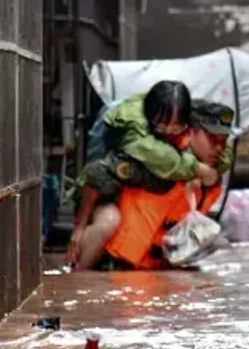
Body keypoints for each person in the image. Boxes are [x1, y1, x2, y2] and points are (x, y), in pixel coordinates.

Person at [67, 81, 223, 269]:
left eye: (176, 126)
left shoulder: (186, 144)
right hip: (101, 194)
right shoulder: (139, 147)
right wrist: (78, 229)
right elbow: (94, 176)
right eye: (163, 125)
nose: (169, 131)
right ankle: (78, 272)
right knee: (109, 221)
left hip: (132, 201)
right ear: (150, 120)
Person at [101, 99, 235, 270]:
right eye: (212, 138)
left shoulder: (211, 175)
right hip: (124, 264)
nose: (219, 148)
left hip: (157, 266)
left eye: (224, 140)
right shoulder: (159, 156)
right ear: (190, 131)